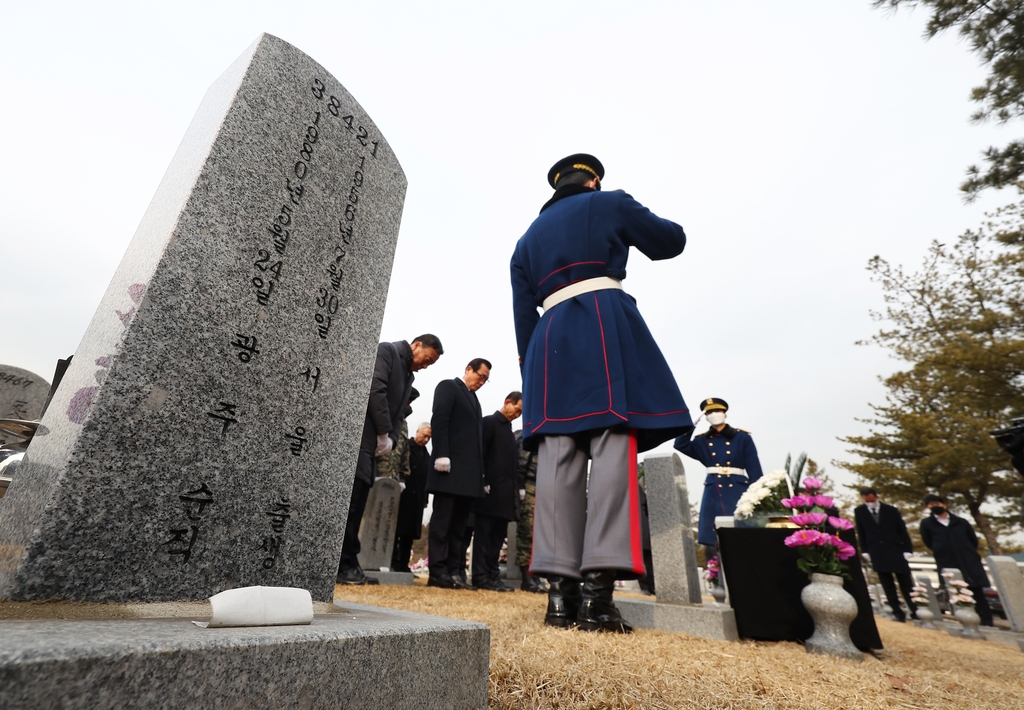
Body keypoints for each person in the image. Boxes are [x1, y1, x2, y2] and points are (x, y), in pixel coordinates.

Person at [511, 154, 693, 633]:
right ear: (592, 179)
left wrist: (530, 369)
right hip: (601, 322)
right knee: (611, 446)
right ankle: (597, 598)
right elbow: (669, 241)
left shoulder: (525, 240)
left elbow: (522, 317)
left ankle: (558, 600)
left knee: (557, 458)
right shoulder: (608, 202)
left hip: (547, 343)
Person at [337, 335, 442, 585]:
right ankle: (342, 564)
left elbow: (400, 414)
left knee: (360, 499)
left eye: (430, 364)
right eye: (426, 360)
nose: (425, 366)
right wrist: (383, 431)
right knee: (352, 504)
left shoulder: (409, 375)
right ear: (416, 345)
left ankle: (350, 562)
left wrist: (391, 440)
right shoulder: (387, 352)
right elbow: (376, 388)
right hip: (363, 437)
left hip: (376, 446)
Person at [425, 358, 492, 590]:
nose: (482, 381)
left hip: (467, 477)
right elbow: (440, 420)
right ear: (468, 369)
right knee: (442, 523)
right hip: (448, 469)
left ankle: (454, 571)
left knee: (459, 527)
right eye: (480, 376)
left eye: (486, 379)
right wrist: (441, 454)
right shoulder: (448, 387)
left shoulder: (475, 400)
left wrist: (480, 476)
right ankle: (438, 571)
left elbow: (476, 444)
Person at [674, 398, 763, 558]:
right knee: (711, 538)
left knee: (742, 532)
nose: (714, 414)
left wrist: (757, 498)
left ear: (725, 414)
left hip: (738, 489)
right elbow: (680, 444)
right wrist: (690, 425)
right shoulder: (702, 440)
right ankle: (716, 574)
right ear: (705, 417)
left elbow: (755, 471)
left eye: (717, 411)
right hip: (713, 491)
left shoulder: (742, 438)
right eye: (709, 412)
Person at [471, 392, 523, 592]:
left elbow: (512, 465)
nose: (517, 415)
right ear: (507, 402)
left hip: (505, 495)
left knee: (497, 539)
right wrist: (482, 479)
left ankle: (493, 576)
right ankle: (480, 575)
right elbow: (480, 453)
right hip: (489, 492)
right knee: (484, 537)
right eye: (516, 410)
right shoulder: (490, 423)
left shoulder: (509, 431)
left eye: (520, 413)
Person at [920, 494, 994, 626]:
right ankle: (965, 621)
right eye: (931, 504)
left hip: (968, 561)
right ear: (927, 507)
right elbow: (928, 542)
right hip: (948, 561)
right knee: (955, 591)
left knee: (975, 590)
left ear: (944, 504)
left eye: (937, 503)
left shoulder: (960, 521)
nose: (935, 506)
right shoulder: (927, 524)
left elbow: (972, 540)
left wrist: (967, 551)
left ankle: (986, 621)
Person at [853, 487, 917, 622]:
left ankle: (915, 610)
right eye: (866, 498)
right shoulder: (860, 511)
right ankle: (897, 612)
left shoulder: (891, 510)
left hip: (895, 549)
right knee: (887, 584)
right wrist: (864, 550)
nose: (869, 501)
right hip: (876, 551)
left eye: (871, 498)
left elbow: (902, 530)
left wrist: (907, 549)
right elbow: (861, 532)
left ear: (876, 497)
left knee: (905, 582)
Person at [391, 422, 432, 573]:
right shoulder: (407, 447)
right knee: (397, 530)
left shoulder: (427, 455)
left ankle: (403, 564)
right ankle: (393, 562)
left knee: (409, 534)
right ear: (417, 432)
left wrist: (426, 499)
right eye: (424, 435)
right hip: (404, 495)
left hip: (418, 497)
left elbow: (426, 478)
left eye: (429, 437)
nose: (426, 440)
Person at [514, 429, 547, 593]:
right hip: (529, 486)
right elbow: (521, 464)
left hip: (541, 486)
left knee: (539, 535)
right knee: (527, 532)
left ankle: (535, 575)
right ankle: (527, 578)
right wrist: (520, 488)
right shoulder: (527, 436)